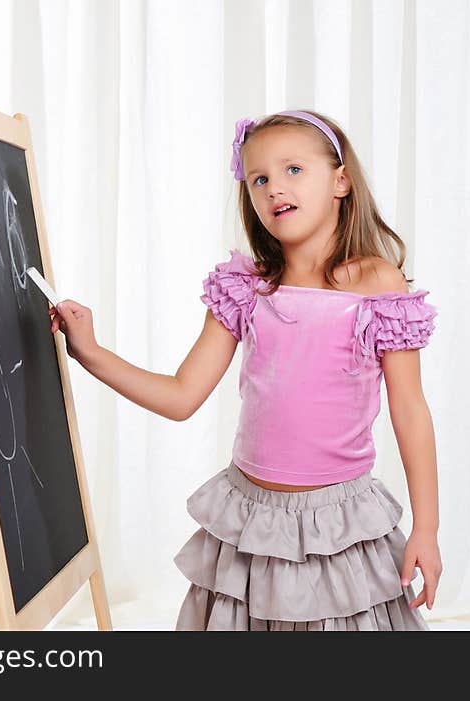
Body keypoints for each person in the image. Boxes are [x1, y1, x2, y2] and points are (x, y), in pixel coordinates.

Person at [49, 109, 442, 631]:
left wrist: (427, 529)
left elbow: (410, 410)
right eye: (259, 178)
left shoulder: (377, 285)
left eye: (293, 170)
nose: (275, 188)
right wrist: (91, 353)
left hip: (340, 527)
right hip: (250, 524)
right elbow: (181, 396)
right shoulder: (246, 289)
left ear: (341, 180)